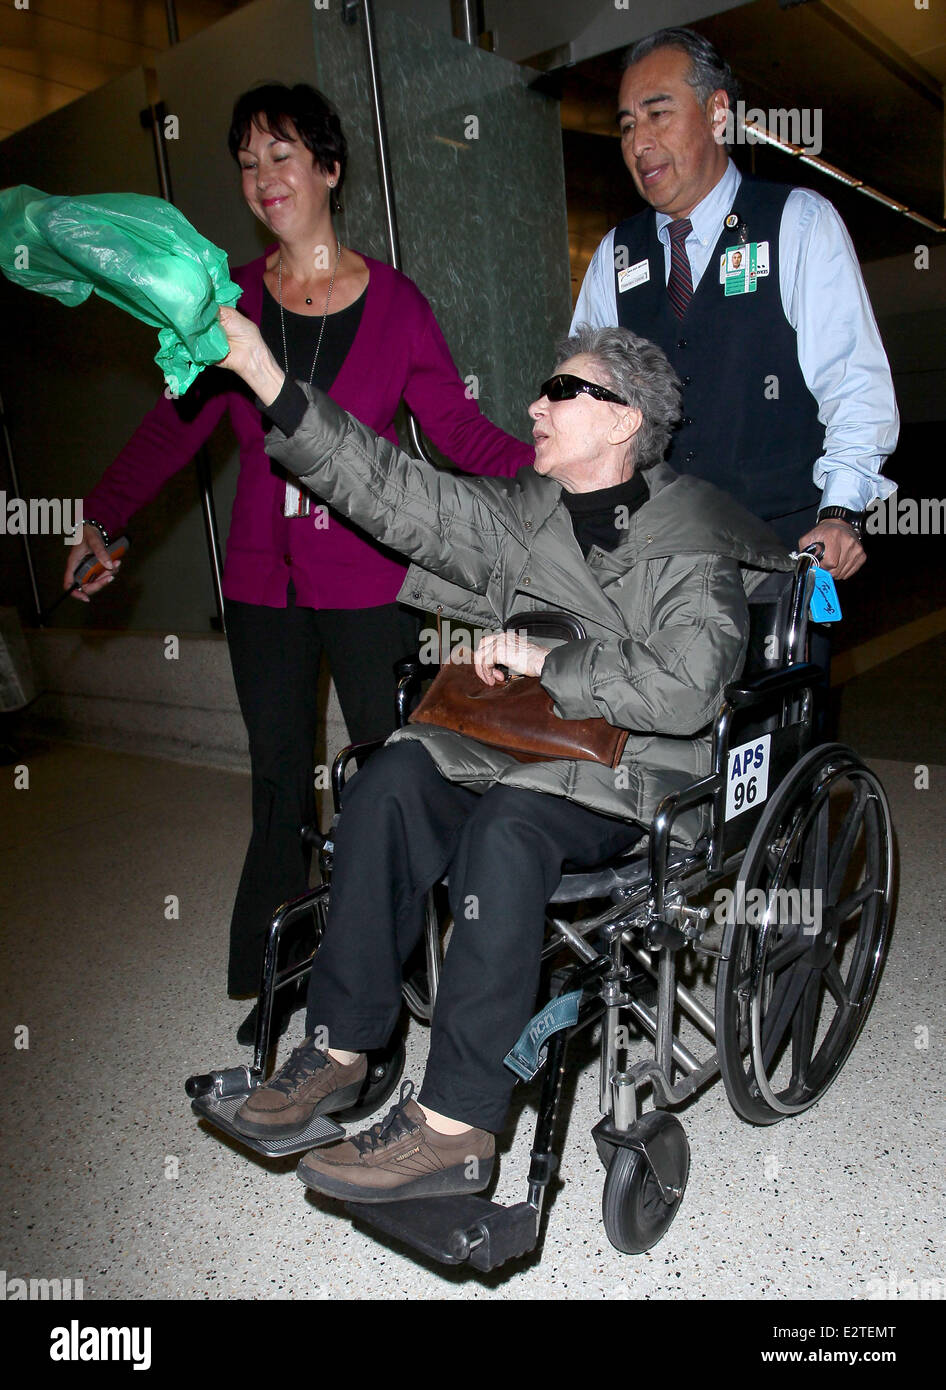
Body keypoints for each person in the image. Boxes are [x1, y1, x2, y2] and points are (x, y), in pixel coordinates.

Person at [214, 310, 792, 1201]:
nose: (534, 406)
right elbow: (392, 487)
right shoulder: (523, 514)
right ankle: (339, 1046)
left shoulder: (692, 537)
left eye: (562, 390)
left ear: (624, 418)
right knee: (392, 778)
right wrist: (268, 379)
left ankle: (456, 1124)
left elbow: (684, 689)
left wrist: (547, 660)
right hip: (516, 745)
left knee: (509, 829)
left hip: (630, 773)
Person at [64, 84, 533, 1043]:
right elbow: (173, 426)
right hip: (260, 581)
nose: (262, 179)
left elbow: (453, 430)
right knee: (279, 775)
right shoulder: (225, 300)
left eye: (281, 156)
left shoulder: (398, 305)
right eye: (246, 162)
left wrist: (558, 476)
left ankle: (391, 977)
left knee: (387, 774)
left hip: (368, 579)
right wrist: (103, 519)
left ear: (328, 168)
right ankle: (281, 973)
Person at [571, 26, 899, 574]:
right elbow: (587, 404)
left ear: (718, 113)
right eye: (627, 125)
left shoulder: (797, 222)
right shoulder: (615, 256)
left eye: (658, 114)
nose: (639, 142)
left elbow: (854, 386)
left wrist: (840, 511)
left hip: (781, 547)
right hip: (658, 556)